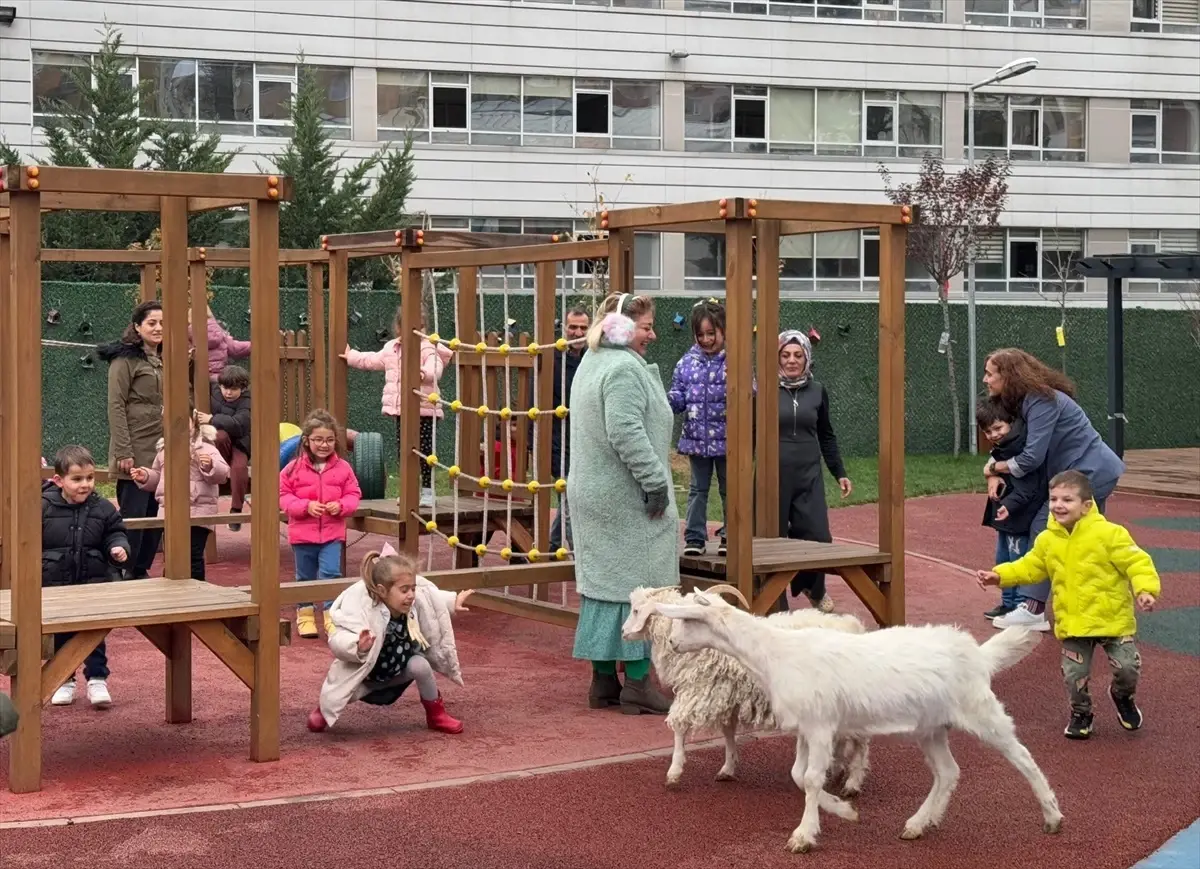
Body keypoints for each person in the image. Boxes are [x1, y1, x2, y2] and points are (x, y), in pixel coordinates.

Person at [977, 470, 1160, 740]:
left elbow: (1137, 562)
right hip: (1074, 622)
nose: (1058, 505)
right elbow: (1030, 566)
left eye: (1067, 500)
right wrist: (1000, 576)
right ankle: (1081, 712)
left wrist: (1145, 590)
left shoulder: (1110, 534)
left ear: (1086, 505)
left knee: (1127, 667)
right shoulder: (1048, 540)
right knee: (1075, 674)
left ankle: (1122, 696)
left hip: (1113, 620)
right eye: (1053, 499)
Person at [567, 292, 676, 715]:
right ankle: (638, 682)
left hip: (592, 493)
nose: (653, 334)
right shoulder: (624, 369)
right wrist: (656, 483)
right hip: (624, 497)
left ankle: (603, 682)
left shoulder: (591, 361)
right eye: (646, 326)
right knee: (639, 587)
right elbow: (626, 431)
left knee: (602, 588)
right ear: (623, 327)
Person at [982, 348, 1126, 632]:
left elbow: (1031, 457)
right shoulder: (1026, 401)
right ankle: (1099, 601)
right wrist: (993, 470)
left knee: (1045, 528)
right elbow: (1011, 446)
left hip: (1090, 473)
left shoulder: (1040, 400)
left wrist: (994, 468)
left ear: (1008, 376)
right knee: (1087, 541)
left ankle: (1033, 609)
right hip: (1087, 473)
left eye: (989, 374)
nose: (985, 380)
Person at [308, 546, 474, 734]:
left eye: (412, 588)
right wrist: (357, 645)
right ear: (382, 590)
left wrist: (452, 602)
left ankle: (436, 715)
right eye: (404, 590)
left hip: (398, 673)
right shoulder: (364, 610)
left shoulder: (411, 604)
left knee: (421, 666)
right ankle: (324, 710)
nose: (411, 595)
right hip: (365, 679)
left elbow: (429, 599)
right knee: (341, 693)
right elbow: (338, 638)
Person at [43, 445, 131, 708]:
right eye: (77, 479)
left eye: (90, 478)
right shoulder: (42, 507)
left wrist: (118, 547)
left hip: (92, 582)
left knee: (93, 633)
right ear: (59, 480)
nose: (85, 484)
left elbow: (115, 532)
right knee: (60, 634)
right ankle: (63, 680)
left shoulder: (102, 508)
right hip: (56, 584)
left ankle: (97, 679)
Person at [342, 305, 452, 509]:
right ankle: (409, 491)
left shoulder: (428, 347)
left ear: (424, 327)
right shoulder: (391, 348)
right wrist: (351, 356)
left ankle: (428, 491)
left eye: (418, 327)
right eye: (408, 327)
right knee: (405, 451)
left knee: (425, 451)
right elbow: (370, 360)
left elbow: (435, 368)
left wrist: (423, 373)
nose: (414, 331)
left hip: (424, 409)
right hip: (403, 411)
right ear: (398, 327)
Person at [776, 330, 852, 613]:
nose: (792, 360)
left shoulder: (818, 391)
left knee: (819, 536)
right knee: (772, 539)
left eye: (798, 355)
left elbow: (826, 435)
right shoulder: (765, 390)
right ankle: (775, 600)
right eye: (785, 355)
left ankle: (813, 587)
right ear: (777, 358)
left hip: (808, 474)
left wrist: (839, 472)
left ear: (807, 357)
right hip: (774, 476)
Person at [280, 409, 363, 640]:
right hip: (302, 533)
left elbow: (354, 494)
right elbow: (283, 496)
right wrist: (305, 506)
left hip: (332, 533)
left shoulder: (343, 468)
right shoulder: (293, 468)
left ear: (336, 441)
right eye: (318, 440)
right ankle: (305, 614)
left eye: (329, 440)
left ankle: (331, 615)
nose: (324, 445)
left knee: (331, 573)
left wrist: (341, 506)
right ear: (307, 440)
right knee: (304, 576)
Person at [97, 300, 164, 579]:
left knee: (157, 513)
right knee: (134, 514)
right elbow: (116, 405)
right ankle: (123, 569)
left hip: (162, 448)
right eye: (152, 323)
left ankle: (140, 569)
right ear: (137, 326)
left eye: (163, 323)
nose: (158, 328)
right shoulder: (124, 360)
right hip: (135, 445)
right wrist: (124, 450)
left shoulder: (166, 359)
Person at [131, 408, 230, 582]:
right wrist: (146, 476)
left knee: (193, 555)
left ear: (194, 423)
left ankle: (197, 588)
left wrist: (209, 465)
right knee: (172, 555)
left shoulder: (205, 447)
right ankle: (171, 588)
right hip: (170, 510)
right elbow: (159, 477)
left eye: (185, 422)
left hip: (198, 511)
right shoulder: (164, 450)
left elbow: (222, 474)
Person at [977, 398, 1049, 623]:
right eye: (988, 431)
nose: (993, 435)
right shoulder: (1003, 447)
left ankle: (1019, 604)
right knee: (1003, 558)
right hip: (1006, 517)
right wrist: (992, 475)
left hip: (1018, 516)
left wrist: (1009, 505)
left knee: (1019, 560)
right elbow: (994, 468)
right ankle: (1008, 603)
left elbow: (1028, 487)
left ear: (1011, 423)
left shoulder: (1019, 449)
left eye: (998, 428)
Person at [668, 298, 729, 558]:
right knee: (697, 488)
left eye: (711, 333)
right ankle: (694, 536)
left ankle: (731, 534)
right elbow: (678, 394)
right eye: (700, 334)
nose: (706, 339)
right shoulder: (687, 363)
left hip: (727, 438)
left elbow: (750, 391)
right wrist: (669, 401)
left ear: (723, 331)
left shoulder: (733, 361)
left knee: (729, 488)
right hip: (697, 438)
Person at [549, 305, 591, 551]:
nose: (578, 333)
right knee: (570, 497)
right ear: (564, 328)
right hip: (559, 441)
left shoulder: (592, 358)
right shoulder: (552, 359)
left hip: (585, 440)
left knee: (571, 497)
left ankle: (552, 544)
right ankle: (578, 553)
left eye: (583, 328)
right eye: (573, 327)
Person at [203, 364, 251, 531]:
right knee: (220, 435)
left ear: (243, 388)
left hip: (240, 443)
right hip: (221, 447)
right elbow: (194, 378)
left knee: (239, 468)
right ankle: (222, 466)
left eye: (234, 389)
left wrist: (212, 419)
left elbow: (239, 425)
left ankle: (236, 511)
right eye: (225, 388)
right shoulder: (214, 390)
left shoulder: (248, 401)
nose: (228, 393)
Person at [188, 303, 250, 381]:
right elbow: (234, 348)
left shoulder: (187, 335)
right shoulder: (218, 332)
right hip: (220, 377)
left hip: (197, 377)